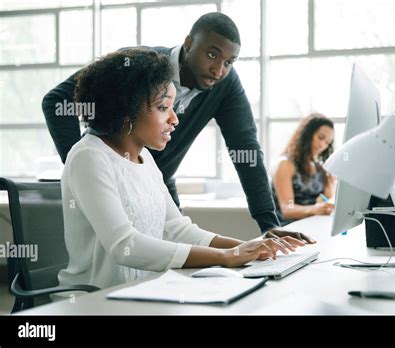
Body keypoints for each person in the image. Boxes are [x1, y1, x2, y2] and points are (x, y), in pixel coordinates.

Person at [42, 12, 314, 243]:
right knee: (117, 259)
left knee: (176, 257)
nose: (219, 70)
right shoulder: (142, 65)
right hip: (111, 178)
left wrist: (268, 224)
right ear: (188, 45)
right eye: (212, 54)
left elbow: (246, 150)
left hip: (158, 181)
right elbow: (57, 101)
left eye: (229, 63)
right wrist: (82, 164)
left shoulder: (225, 85)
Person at [58, 49, 305, 290]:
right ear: (127, 109)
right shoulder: (88, 157)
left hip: (142, 295)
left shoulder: (145, 157)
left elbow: (177, 229)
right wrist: (226, 256)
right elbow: (126, 246)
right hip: (96, 303)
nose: (175, 119)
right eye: (164, 108)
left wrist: (249, 247)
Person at [272, 113, 336, 226]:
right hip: (288, 228)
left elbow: (327, 199)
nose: (323, 145)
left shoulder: (319, 167)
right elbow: (287, 209)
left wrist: (330, 179)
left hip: (311, 224)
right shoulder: (286, 164)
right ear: (307, 134)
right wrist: (314, 209)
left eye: (327, 142)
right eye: (320, 137)